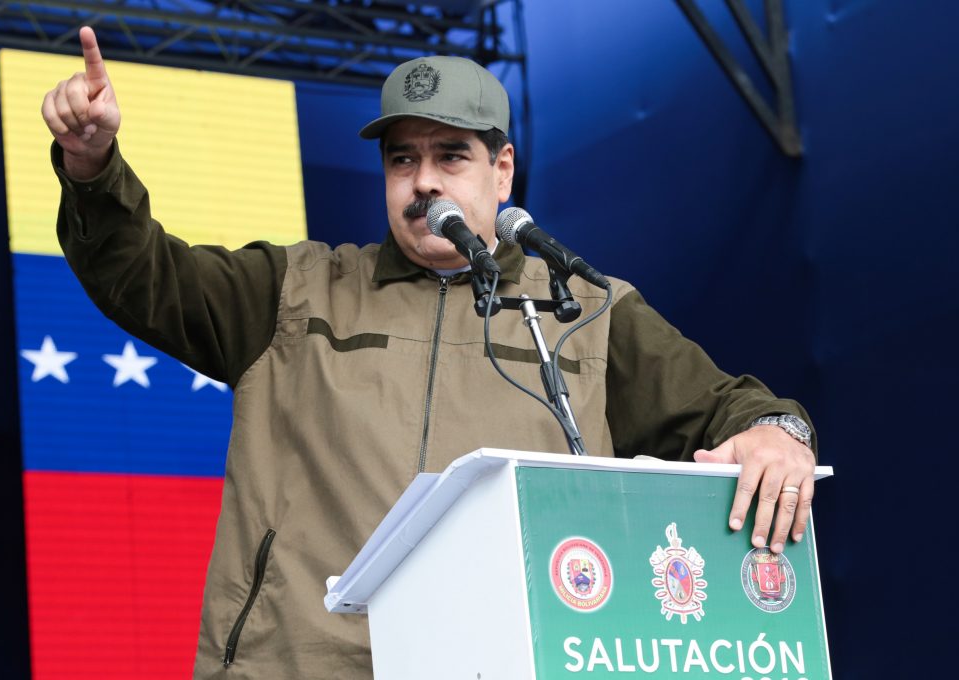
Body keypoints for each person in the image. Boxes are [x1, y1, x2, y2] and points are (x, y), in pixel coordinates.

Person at [42, 26, 818, 679]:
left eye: (451, 157)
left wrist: (777, 435)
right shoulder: (296, 291)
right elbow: (141, 277)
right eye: (402, 160)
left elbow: (731, 409)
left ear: (502, 170)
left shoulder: (584, 310)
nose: (423, 183)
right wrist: (92, 168)